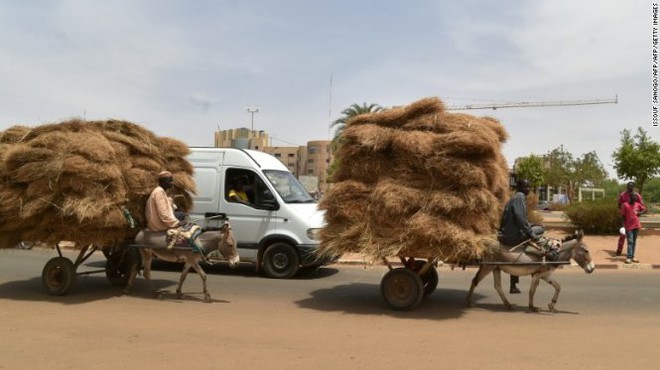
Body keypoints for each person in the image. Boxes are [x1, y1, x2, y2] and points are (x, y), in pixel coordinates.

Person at [499, 179, 544, 294]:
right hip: (512, 235)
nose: (528, 189)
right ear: (519, 188)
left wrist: (531, 225)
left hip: (508, 233)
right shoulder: (520, 197)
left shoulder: (515, 197)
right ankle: (538, 260)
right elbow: (520, 218)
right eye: (526, 187)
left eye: (529, 187)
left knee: (535, 227)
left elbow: (520, 220)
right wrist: (531, 234)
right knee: (541, 229)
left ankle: (513, 285)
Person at [616, 182, 644, 256]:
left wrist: (637, 212)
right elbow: (619, 205)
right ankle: (619, 250)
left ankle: (631, 254)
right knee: (622, 234)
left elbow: (641, 205)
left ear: (633, 187)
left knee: (632, 239)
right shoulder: (622, 195)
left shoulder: (637, 195)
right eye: (628, 186)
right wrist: (624, 211)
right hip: (625, 217)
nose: (629, 187)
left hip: (634, 218)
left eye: (631, 186)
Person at [621, 193, 646, 264]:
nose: (635, 198)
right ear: (630, 197)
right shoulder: (625, 205)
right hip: (628, 226)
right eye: (634, 197)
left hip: (636, 225)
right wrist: (623, 225)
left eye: (636, 197)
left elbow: (645, 209)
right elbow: (622, 216)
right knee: (630, 242)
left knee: (634, 242)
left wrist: (639, 212)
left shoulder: (637, 204)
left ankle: (633, 256)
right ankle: (629, 258)